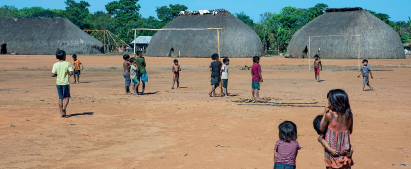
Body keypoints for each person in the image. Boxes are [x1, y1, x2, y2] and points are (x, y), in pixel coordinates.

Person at [320, 89, 354, 169]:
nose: (328, 104)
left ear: (335, 103)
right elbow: (350, 131)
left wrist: (325, 113)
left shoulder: (330, 115)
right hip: (345, 148)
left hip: (332, 149)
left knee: (331, 166)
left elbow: (321, 128)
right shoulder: (349, 115)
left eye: (329, 102)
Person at [51, 50, 73, 117]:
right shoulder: (67, 63)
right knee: (67, 97)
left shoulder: (55, 64)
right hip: (65, 83)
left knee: (60, 98)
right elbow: (71, 72)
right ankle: (64, 107)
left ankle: (61, 113)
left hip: (58, 83)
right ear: (64, 57)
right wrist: (68, 74)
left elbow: (52, 74)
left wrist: (57, 75)